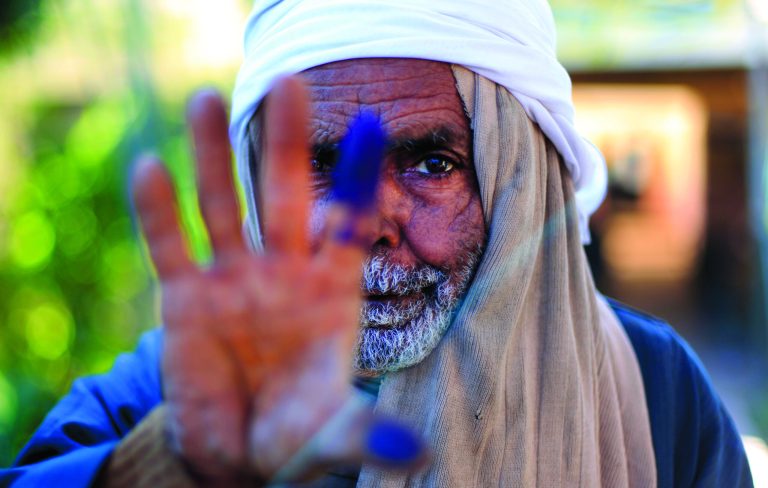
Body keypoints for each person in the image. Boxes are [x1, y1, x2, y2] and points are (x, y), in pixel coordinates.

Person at [1, 1, 754, 487]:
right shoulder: (180, 393)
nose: (367, 222)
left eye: (433, 163)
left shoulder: (655, 392)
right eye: (315, 166)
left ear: (520, 186)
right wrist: (158, 470)